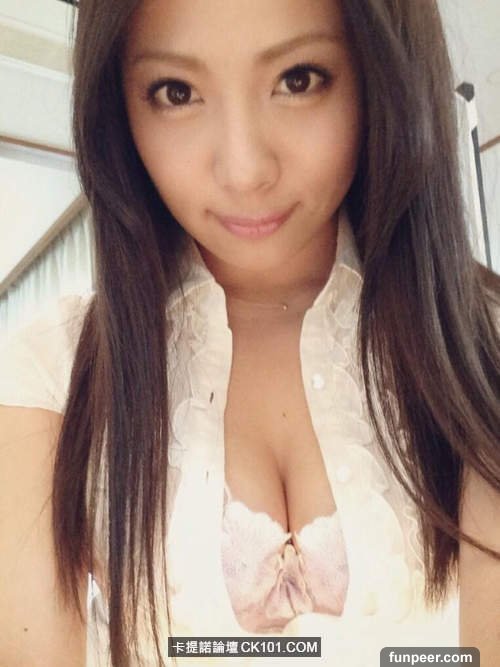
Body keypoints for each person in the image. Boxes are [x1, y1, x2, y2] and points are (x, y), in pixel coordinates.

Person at [0, 0, 499, 665]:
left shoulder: (479, 346)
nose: (243, 170)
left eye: (298, 79)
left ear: (382, 74)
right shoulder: (50, 376)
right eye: (176, 92)